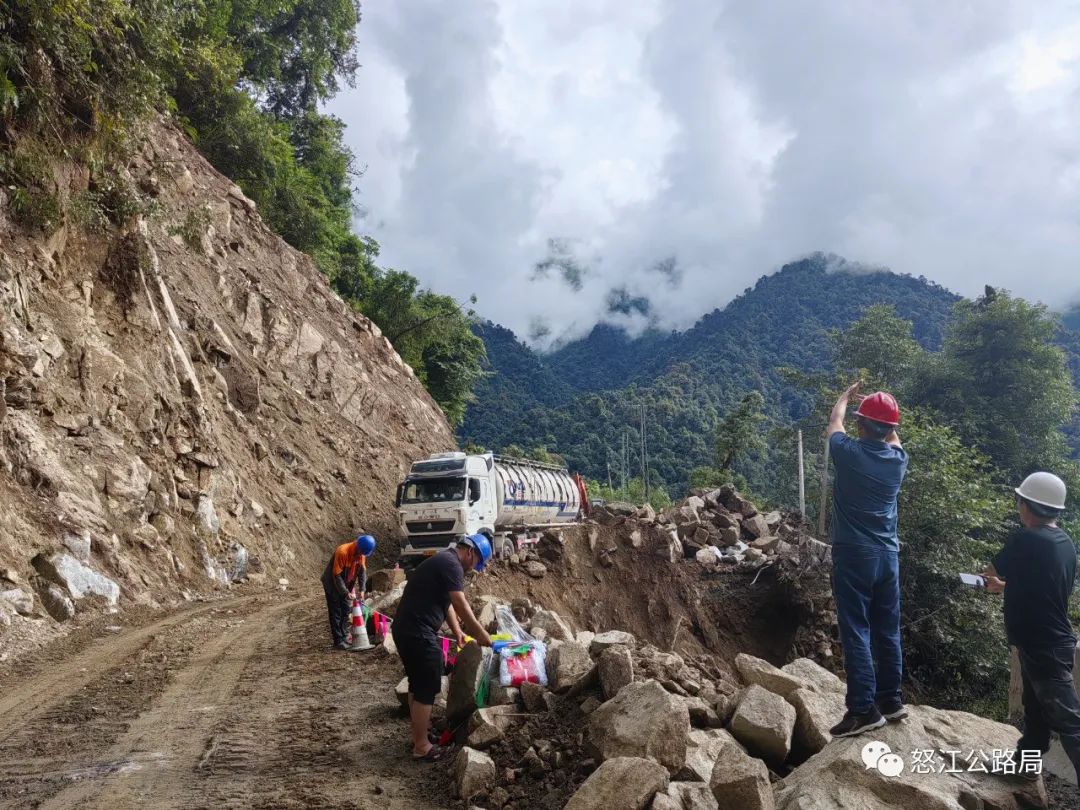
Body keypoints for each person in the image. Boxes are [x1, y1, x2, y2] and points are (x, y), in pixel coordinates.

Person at [983, 472, 1080, 783]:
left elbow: (990, 572)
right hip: (1050, 640)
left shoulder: (1026, 538)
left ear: (1026, 505)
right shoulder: (1064, 542)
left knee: (1069, 721)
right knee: (1035, 709)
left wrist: (993, 581)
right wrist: (1006, 585)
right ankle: (1025, 766)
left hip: (1042, 644)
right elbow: (1042, 584)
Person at [826, 382, 910, 738]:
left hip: (854, 555)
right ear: (892, 429)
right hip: (887, 557)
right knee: (887, 628)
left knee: (856, 628)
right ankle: (890, 701)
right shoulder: (898, 461)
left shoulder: (847, 453)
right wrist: (881, 418)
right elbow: (892, 438)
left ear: (861, 425)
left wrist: (844, 400)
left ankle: (862, 709)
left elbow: (834, 424)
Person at [392, 532, 493, 761]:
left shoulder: (445, 560)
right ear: (470, 552)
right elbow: (458, 602)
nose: (475, 568)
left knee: (417, 685)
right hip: (417, 632)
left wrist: (458, 632)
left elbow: (446, 603)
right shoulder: (453, 565)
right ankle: (421, 747)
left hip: (406, 629)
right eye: (477, 563)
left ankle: (419, 736)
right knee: (426, 685)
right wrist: (481, 634)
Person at [321, 534, 376, 650]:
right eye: (361, 553)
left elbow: (362, 573)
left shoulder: (361, 554)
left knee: (346, 610)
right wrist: (346, 593)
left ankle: (345, 635)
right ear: (358, 547)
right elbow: (337, 576)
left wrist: (362, 589)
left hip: (345, 582)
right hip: (332, 582)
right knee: (336, 611)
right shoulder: (343, 552)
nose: (361, 555)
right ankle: (338, 640)